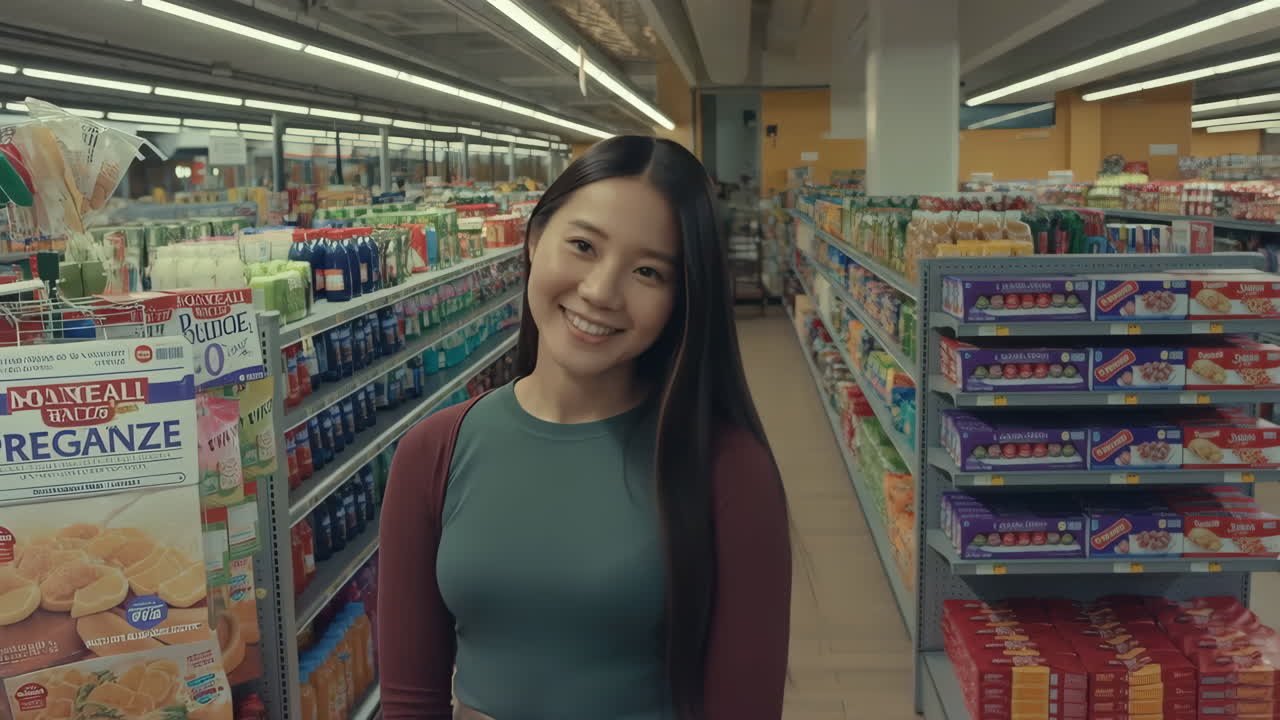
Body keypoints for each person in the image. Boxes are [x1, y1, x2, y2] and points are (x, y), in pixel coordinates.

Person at [378, 136, 791, 720]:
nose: (600, 291)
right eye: (582, 246)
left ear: (682, 298)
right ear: (532, 239)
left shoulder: (727, 469)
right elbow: (409, 701)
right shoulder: (434, 452)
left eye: (648, 271)